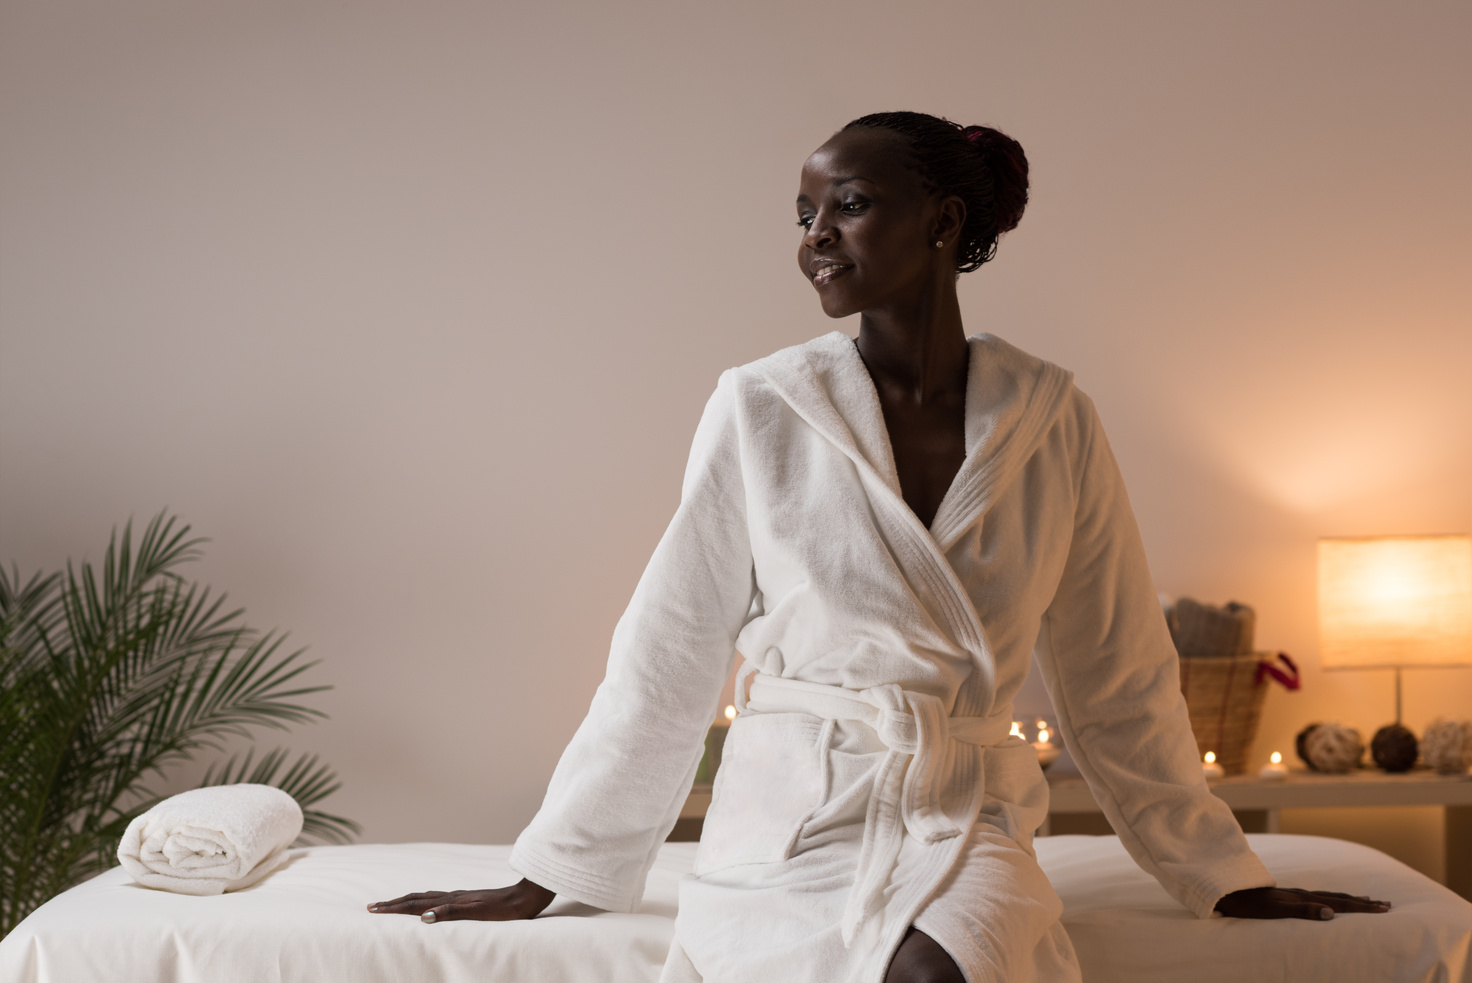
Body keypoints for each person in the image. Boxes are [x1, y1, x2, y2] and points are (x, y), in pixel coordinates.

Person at [370, 111, 1389, 983]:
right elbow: (668, 647)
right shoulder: (761, 406)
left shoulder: (1049, 418)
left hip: (964, 811)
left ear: (942, 221)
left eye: (846, 205)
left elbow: (1117, 668)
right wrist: (556, 865)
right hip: (790, 814)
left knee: (931, 962)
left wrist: (1221, 870)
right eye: (803, 215)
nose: (814, 236)